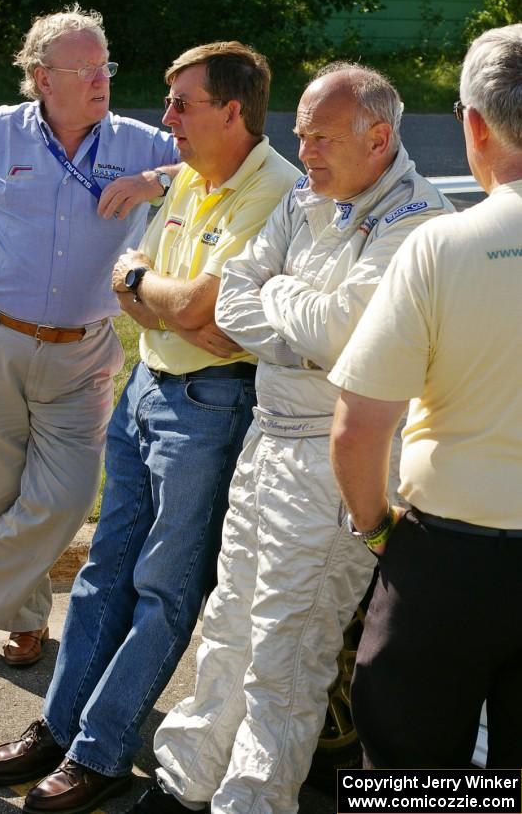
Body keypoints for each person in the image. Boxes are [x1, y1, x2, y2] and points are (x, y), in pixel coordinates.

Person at [0, 41, 300, 813]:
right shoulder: (188, 173)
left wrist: (159, 293)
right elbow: (137, 280)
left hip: (210, 405)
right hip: (148, 383)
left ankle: (103, 750)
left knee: (162, 587)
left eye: (181, 104)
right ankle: (60, 726)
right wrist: (156, 291)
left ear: (231, 110)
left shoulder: (275, 191)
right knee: (102, 572)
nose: (165, 119)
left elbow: (197, 311)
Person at [129, 62, 453, 814]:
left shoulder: (418, 222)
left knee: (287, 649)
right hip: (267, 438)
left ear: (379, 137)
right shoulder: (307, 197)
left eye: (322, 138)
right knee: (227, 626)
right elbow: (234, 293)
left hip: (335, 454)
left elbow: (340, 336)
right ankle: (185, 785)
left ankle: (251, 801)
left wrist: (273, 299)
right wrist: (285, 310)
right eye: (299, 135)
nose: (304, 153)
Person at [0, 5, 180, 666]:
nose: (98, 79)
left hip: (83, 348)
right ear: (39, 76)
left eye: (103, 65)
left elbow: (224, 166)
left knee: (68, 494)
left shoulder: (140, 144)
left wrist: (155, 180)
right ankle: (21, 618)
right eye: (80, 68)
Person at [329, 25, 522, 768]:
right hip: (455, 555)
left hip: (449, 564)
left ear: (472, 126)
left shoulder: (439, 246)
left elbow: (356, 429)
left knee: (413, 774)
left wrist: (377, 532)